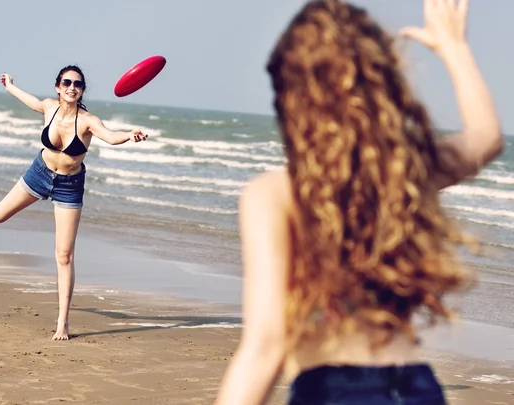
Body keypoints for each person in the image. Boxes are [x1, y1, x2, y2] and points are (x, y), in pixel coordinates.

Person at [215, 0, 503, 404]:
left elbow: (267, 344)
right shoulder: (402, 176)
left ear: (290, 96)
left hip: (334, 391)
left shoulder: (275, 194)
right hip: (416, 388)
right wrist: (454, 47)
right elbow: (486, 136)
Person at [0, 65, 148, 341]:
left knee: (64, 256)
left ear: (82, 90)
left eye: (78, 84)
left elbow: (109, 136)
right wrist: (10, 85)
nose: (72, 87)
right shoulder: (49, 107)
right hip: (39, 174)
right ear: (58, 87)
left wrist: (130, 135)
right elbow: (32, 101)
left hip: (69, 186)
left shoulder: (87, 121)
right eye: (67, 82)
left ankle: (63, 323)